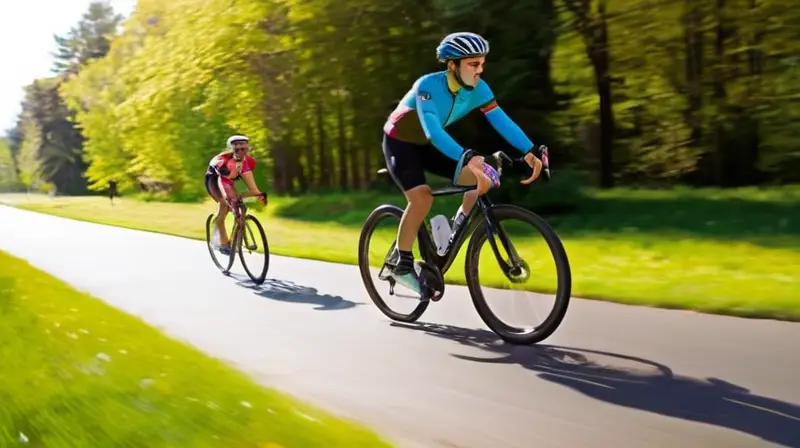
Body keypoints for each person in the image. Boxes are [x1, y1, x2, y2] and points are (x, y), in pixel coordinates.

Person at [381, 31, 547, 295]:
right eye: (473, 64)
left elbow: (501, 120)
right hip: (401, 143)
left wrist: (529, 150)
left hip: (428, 145)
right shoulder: (427, 87)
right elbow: (434, 131)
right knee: (422, 199)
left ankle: (447, 237)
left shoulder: (479, 89)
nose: (479, 70)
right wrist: (466, 156)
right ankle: (401, 265)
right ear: (452, 65)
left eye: (481, 63)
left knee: (487, 176)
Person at [205, 135, 267, 255]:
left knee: (241, 206)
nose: (240, 152)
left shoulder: (248, 162)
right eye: (236, 149)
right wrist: (231, 199)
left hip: (232, 180)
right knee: (225, 204)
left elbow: (254, 189)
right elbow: (223, 182)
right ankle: (223, 242)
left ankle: (235, 241)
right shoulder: (223, 161)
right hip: (215, 179)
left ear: (248, 148)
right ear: (231, 149)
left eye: (243, 149)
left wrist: (258, 197)